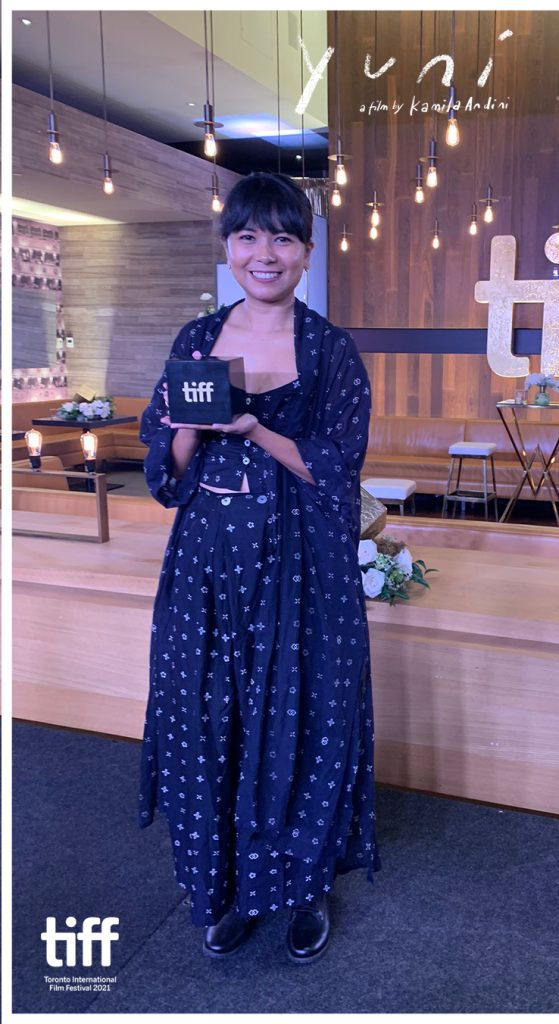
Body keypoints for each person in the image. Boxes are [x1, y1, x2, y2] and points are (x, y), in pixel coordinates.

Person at [137, 171, 381, 964]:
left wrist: (254, 427)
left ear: (306, 252)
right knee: (210, 718)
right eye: (247, 236)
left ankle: (304, 889)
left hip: (302, 568)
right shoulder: (195, 339)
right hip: (207, 566)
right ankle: (227, 887)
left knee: (302, 717)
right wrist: (186, 427)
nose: (264, 253)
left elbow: (339, 470)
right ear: (228, 247)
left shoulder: (331, 350)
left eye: (282, 236)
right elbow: (164, 474)